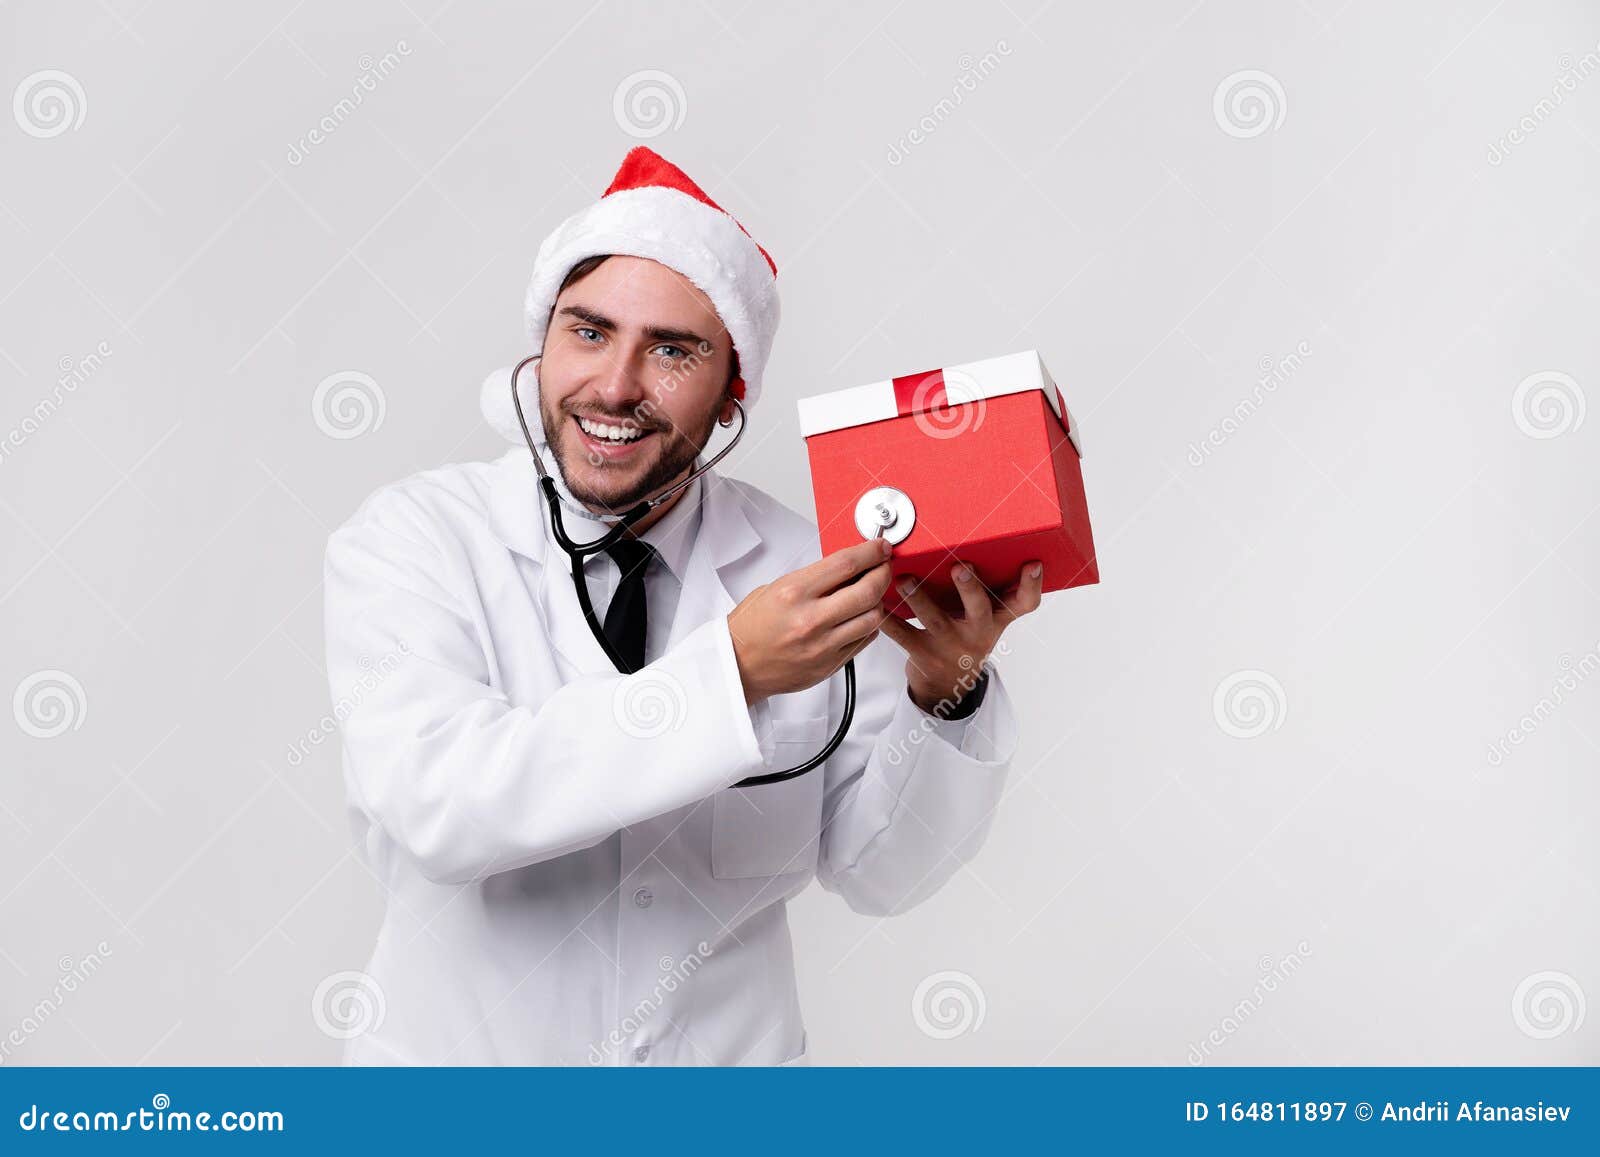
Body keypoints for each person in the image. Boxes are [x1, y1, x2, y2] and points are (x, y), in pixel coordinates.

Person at [322, 147, 1044, 1065]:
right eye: (589, 332)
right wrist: (732, 674)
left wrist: (946, 694)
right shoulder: (415, 539)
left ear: (730, 392)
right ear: (541, 345)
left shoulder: (804, 568)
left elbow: (883, 874)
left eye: (673, 350)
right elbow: (441, 808)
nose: (617, 385)